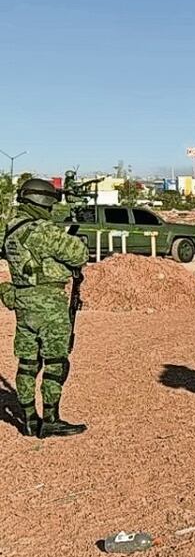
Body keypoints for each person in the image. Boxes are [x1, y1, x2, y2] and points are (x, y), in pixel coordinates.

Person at [2, 179, 90, 437]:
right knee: (55, 362)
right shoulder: (42, 230)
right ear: (43, 202)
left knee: (28, 363)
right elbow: (79, 254)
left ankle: (29, 419)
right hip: (49, 303)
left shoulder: (11, 229)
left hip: (23, 302)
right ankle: (51, 418)